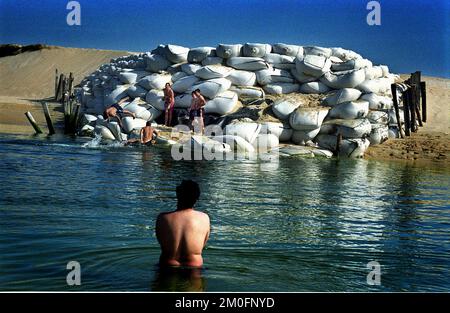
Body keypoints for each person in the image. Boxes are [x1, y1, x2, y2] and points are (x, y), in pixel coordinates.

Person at [156, 180, 210, 268]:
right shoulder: (204, 218)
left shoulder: (163, 218)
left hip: (168, 265)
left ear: (177, 194)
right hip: (194, 266)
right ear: (197, 198)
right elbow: (202, 245)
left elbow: (161, 242)